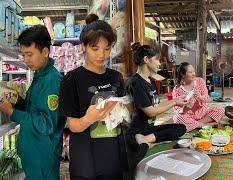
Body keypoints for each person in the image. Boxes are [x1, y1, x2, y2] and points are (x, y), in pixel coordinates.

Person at [59, 20, 127, 179]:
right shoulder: (72, 79)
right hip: (85, 163)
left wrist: (125, 111)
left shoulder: (116, 77)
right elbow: (72, 125)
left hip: (113, 159)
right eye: (95, 48)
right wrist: (88, 119)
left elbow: (121, 118)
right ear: (84, 46)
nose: (101, 55)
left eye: (107, 49)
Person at [0, 25, 64, 179]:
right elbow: (33, 109)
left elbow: (47, 123)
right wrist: (15, 98)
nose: (26, 60)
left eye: (29, 54)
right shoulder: (40, 76)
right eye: (23, 55)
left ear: (45, 52)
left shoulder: (51, 81)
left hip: (42, 159)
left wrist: (12, 112)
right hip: (35, 156)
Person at [126, 42, 188, 151]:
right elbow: (151, 112)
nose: (159, 64)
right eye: (157, 59)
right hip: (136, 130)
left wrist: (176, 100)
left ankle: (145, 140)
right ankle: (141, 140)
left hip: (148, 129)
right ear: (146, 59)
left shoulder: (151, 81)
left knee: (181, 128)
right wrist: (173, 103)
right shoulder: (135, 83)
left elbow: (156, 105)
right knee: (174, 131)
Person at [172, 62, 225, 131]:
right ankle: (205, 125)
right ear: (183, 74)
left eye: (194, 71)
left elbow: (207, 99)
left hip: (203, 114)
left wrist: (200, 97)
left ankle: (196, 124)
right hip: (188, 116)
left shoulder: (200, 81)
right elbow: (177, 109)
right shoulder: (177, 89)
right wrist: (185, 108)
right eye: (190, 72)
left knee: (220, 110)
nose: (194, 74)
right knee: (177, 118)